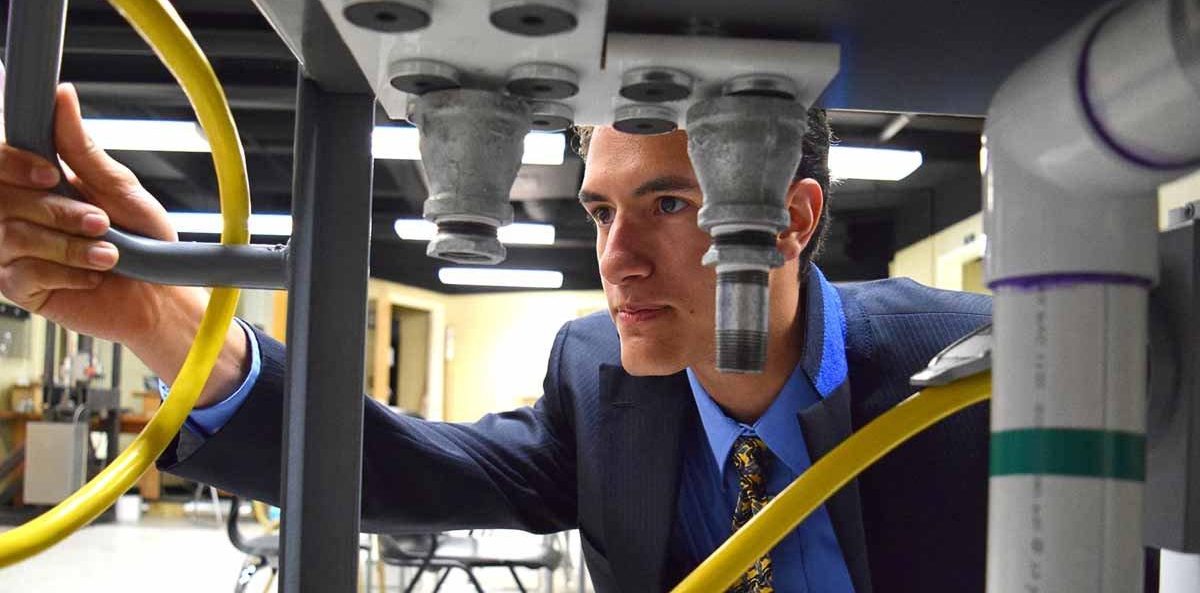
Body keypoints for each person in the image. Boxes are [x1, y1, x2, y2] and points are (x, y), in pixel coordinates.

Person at [0, 84, 991, 592]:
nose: (620, 259)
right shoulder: (598, 373)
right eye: (601, 212)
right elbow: (406, 470)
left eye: (671, 202)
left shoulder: (963, 372)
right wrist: (167, 320)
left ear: (794, 216)